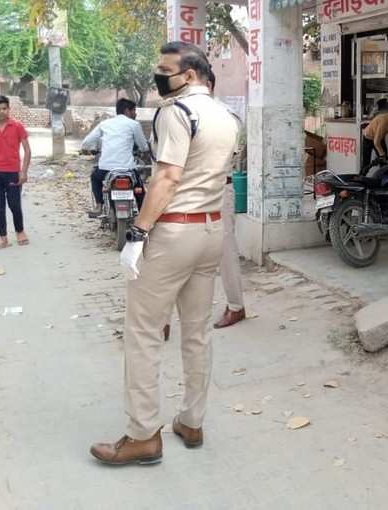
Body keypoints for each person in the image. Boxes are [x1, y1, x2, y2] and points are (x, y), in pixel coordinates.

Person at [90, 42, 239, 465]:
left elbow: (168, 178)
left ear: (189, 74)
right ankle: (192, 420)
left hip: (173, 233)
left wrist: (137, 232)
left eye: (164, 69)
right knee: (197, 332)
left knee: (142, 333)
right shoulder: (227, 116)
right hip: (211, 231)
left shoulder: (177, 112)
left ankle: (142, 435)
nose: (159, 75)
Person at [206, 69, 246, 328]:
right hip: (188, 192)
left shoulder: (224, 116)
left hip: (218, 189)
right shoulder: (180, 113)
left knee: (225, 251)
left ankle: (236, 306)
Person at [81, 98, 149, 216]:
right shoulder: (134, 124)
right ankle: (143, 214)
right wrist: (144, 151)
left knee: (95, 178)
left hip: (105, 169)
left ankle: (99, 206)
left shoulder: (105, 124)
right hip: (127, 169)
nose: (135, 113)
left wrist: (91, 150)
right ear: (127, 111)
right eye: (134, 110)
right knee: (139, 188)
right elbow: (143, 146)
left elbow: (86, 142)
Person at [0, 95, 31, 249]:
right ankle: (3, 237)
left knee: (14, 204)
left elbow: (27, 150)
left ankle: (20, 231)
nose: (2, 112)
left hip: (13, 172)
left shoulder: (17, 126)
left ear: (9, 109)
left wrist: (24, 171)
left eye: (4, 108)